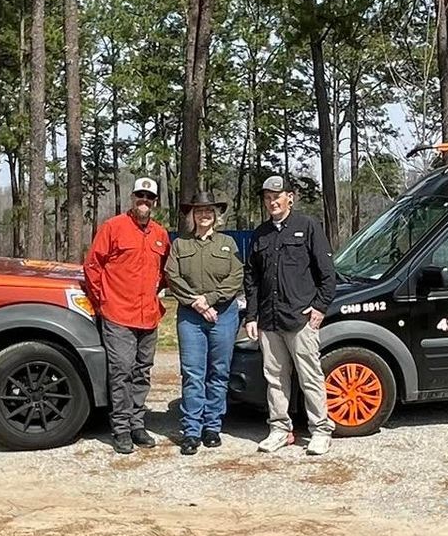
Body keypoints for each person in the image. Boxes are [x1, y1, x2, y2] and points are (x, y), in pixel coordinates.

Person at [243, 173, 337, 455]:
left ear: (290, 198)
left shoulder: (307, 226)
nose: (272, 202)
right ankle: (280, 429)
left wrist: (320, 306)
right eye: (268, 197)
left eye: (277, 196)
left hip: (300, 318)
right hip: (269, 320)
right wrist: (251, 316)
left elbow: (328, 273)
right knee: (274, 378)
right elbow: (252, 279)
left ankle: (320, 429)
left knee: (310, 376)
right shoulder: (260, 234)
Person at [83, 176, 169, 454]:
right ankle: (120, 429)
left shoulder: (160, 234)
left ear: (155, 202)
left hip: (148, 315)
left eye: (149, 198)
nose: (144, 202)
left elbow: (165, 271)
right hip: (118, 314)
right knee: (121, 372)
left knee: (143, 372)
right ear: (132, 198)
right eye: (140, 196)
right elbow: (93, 266)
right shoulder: (113, 227)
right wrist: (102, 301)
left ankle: (137, 424)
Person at [164, 193, 244, 455]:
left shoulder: (227, 243)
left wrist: (209, 300)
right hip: (190, 316)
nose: (204, 215)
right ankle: (191, 430)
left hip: (223, 315)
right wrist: (196, 304)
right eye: (198, 211)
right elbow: (172, 276)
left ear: (215, 215)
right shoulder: (180, 245)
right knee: (193, 373)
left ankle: (212, 426)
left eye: (208, 211)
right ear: (192, 216)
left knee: (218, 372)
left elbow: (236, 277)